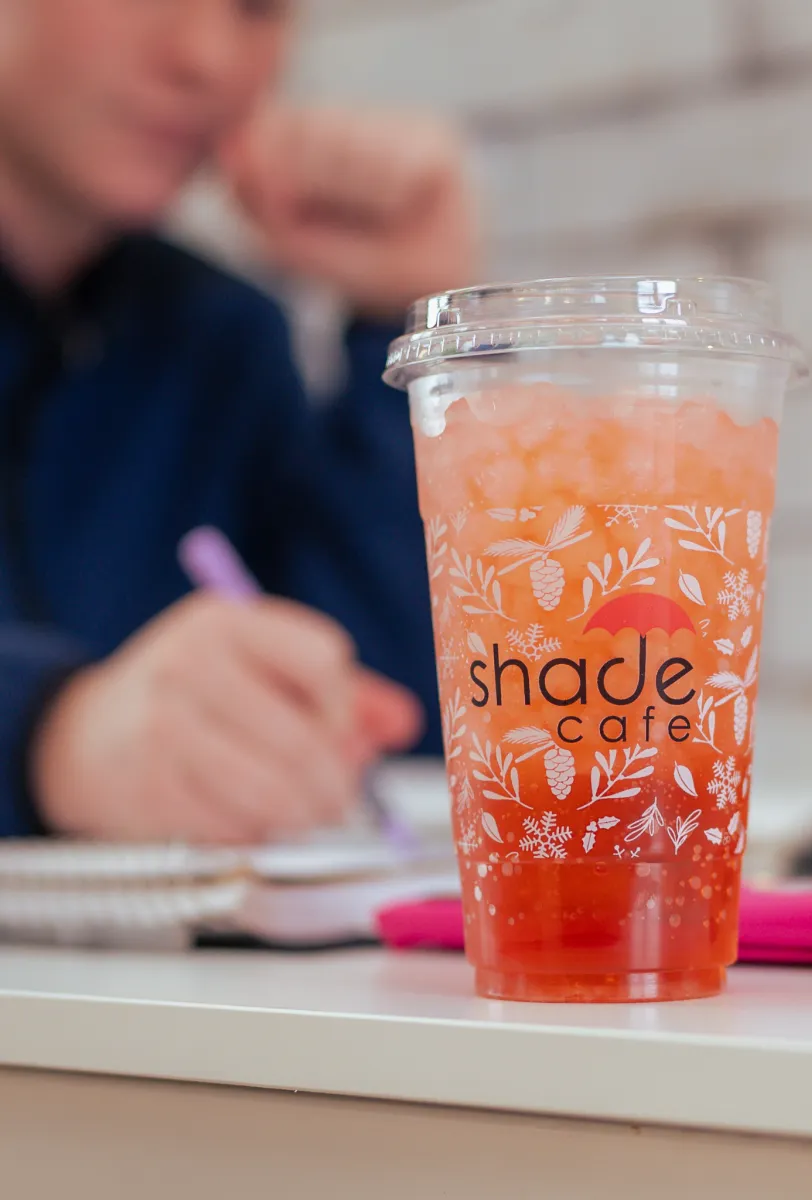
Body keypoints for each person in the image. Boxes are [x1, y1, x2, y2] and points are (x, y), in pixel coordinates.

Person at [0, 0, 476, 843]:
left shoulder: (219, 339)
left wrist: (413, 328)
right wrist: (49, 737)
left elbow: (402, 739)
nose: (207, 57)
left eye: (258, 8)